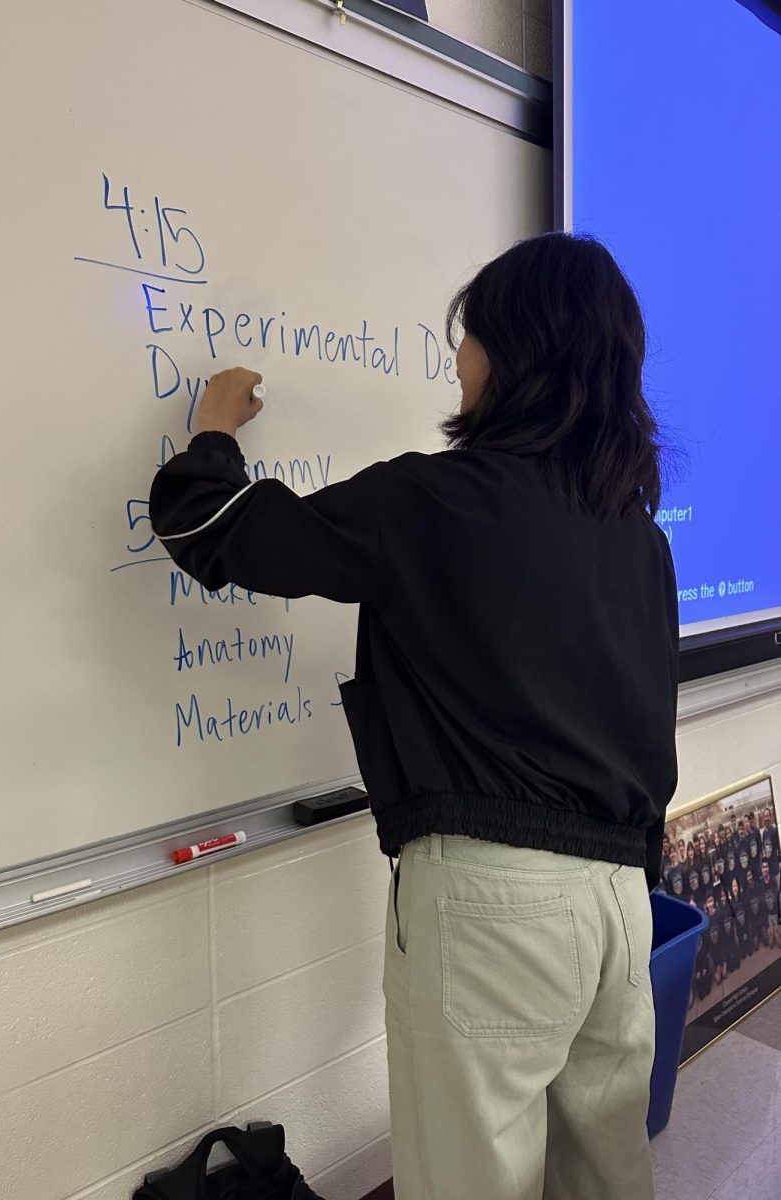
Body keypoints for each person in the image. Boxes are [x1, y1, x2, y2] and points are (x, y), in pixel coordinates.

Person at [149, 232, 680, 1200]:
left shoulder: (435, 502)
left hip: (492, 904)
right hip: (617, 901)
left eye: (471, 336)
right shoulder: (640, 540)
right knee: (604, 1177)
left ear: (515, 354)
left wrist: (214, 431)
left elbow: (205, 527)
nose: (459, 356)